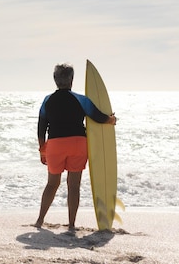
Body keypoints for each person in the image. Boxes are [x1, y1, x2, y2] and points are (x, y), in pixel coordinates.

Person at [34, 63, 116, 231]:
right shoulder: (81, 99)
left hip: (55, 145)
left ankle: (40, 220)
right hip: (78, 143)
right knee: (74, 185)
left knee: (52, 184)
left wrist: (42, 149)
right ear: (71, 79)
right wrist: (110, 120)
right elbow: (97, 116)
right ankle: (71, 224)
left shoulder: (47, 100)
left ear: (55, 80)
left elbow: (41, 126)